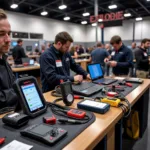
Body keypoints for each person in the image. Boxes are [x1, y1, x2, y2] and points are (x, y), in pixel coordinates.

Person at [0, 9, 18, 109]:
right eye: (1, 34)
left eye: (9, 33)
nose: (8, 39)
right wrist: (20, 91)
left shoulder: (3, 60)